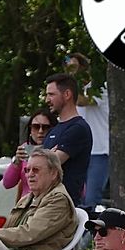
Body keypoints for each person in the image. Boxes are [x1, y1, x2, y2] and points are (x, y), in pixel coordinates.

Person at [64, 53, 109, 209]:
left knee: (91, 199)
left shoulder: (100, 89)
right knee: (72, 198)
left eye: (77, 68)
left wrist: (69, 79)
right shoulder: (73, 93)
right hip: (78, 152)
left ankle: (91, 233)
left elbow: (83, 101)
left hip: (98, 152)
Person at [43, 72, 92, 206]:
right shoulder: (54, 130)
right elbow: (37, 163)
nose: (47, 100)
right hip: (45, 202)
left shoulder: (78, 128)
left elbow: (48, 164)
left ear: (67, 95)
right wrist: (47, 156)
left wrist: (47, 158)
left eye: (51, 95)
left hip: (62, 205)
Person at [2, 109, 57, 201]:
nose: (40, 131)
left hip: (50, 203)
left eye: (45, 127)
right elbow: (7, 183)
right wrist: (17, 161)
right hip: (27, 206)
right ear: (30, 130)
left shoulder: (59, 150)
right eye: (35, 127)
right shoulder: (24, 149)